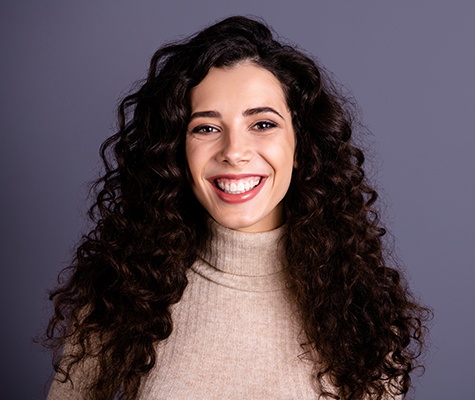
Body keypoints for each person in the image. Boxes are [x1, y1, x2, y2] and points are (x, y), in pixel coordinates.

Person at [44, 16, 430, 400]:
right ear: (178, 152)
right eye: (206, 128)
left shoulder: (360, 309)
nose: (234, 152)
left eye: (262, 124)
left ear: (301, 148)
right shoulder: (121, 292)